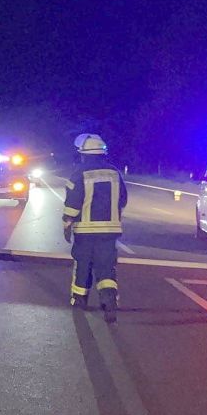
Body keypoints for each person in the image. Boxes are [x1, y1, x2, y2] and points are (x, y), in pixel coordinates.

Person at [63, 134, 128, 322]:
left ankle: (79, 299)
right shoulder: (114, 172)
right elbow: (123, 199)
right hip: (110, 231)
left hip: (85, 230)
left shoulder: (79, 173)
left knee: (83, 264)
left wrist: (67, 222)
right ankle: (109, 300)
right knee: (106, 266)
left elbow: (72, 204)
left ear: (82, 153)